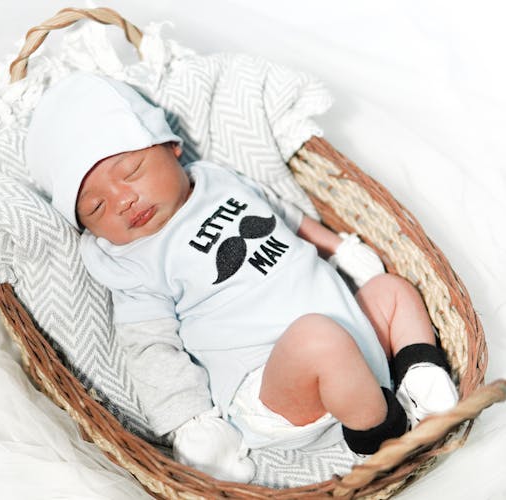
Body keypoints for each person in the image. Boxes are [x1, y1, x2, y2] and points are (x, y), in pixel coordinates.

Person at [25, 72, 459, 482]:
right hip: (272, 383)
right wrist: (188, 423)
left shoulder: (218, 180)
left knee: (392, 290)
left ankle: (419, 374)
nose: (121, 201)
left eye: (131, 171)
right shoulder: (133, 261)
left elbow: (283, 215)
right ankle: (381, 434)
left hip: (350, 329)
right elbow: (151, 348)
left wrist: (338, 248)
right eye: (96, 208)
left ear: (171, 146)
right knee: (318, 339)